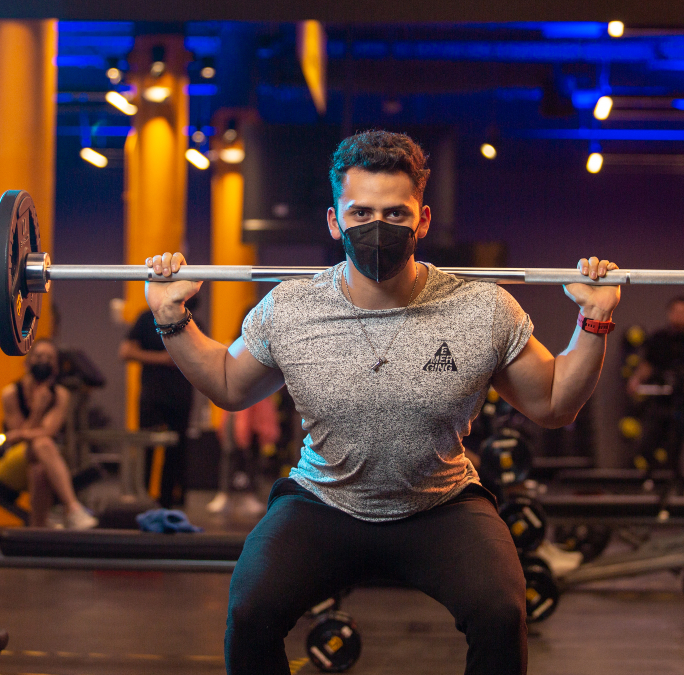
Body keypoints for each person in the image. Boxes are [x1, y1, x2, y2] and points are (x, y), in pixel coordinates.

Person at [143, 130, 620, 675]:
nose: (377, 227)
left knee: (502, 613)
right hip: (324, 500)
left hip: (440, 504)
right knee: (249, 613)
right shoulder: (291, 309)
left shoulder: (481, 309)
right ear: (334, 220)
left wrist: (594, 320)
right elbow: (229, 385)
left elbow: (555, 404)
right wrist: (171, 318)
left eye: (396, 214)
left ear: (422, 221)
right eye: (361, 212)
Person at [0, 339, 97, 529]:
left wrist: (21, 433)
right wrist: (37, 410)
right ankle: (73, 508)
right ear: (28, 362)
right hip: (11, 463)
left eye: (49, 358)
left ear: (55, 368)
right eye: (39, 356)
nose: (43, 361)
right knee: (43, 443)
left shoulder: (61, 395)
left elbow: (46, 431)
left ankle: (36, 531)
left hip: (42, 459)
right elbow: (17, 442)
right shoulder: (11, 394)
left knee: (39, 466)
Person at [120, 298, 197, 508]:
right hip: (152, 395)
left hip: (181, 396)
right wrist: (163, 359)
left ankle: (169, 502)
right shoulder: (147, 318)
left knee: (177, 451)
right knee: (147, 448)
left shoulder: (193, 321)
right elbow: (126, 351)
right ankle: (143, 501)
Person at [625, 296, 684, 473]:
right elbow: (647, 364)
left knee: (678, 444)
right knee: (649, 442)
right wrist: (636, 379)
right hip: (660, 400)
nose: (679, 316)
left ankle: (677, 482)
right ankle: (652, 479)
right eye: (676, 312)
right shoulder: (658, 338)